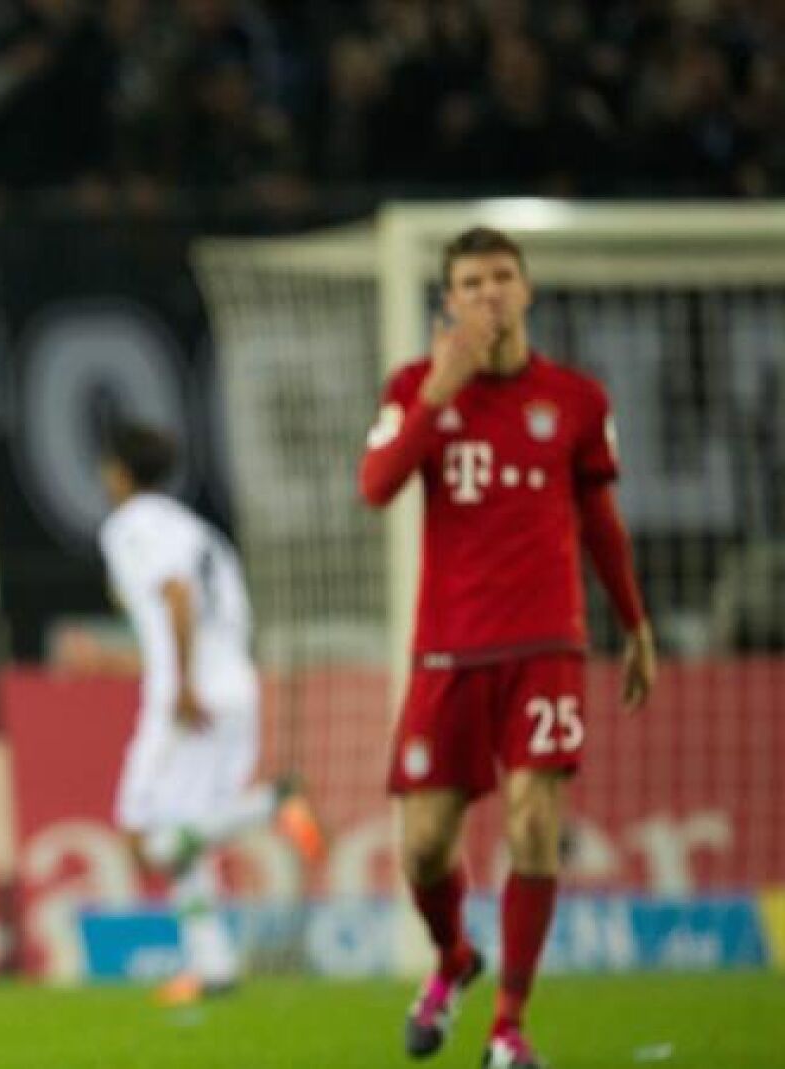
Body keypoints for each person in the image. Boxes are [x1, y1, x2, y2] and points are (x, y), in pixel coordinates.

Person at [359, 226, 655, 1069]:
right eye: (471, 281)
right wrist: (438, 394)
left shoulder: (576, 399)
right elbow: (376, 487)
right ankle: (454, 958)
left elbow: (599, 520)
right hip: (447, 650)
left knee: (534, 820)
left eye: (502, 277)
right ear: (449, 300)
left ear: (527, 291)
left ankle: (509, 1028)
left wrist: (633, 623)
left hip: (546, 642)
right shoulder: (415, 386)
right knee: (422, 843)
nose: (489, 293)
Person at [82, 422, 324, 1006]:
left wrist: (184, 686)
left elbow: (177, 595)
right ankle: (212, 964)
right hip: (235, 686)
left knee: (146, 838)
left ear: (120, 472)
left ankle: (273, 803)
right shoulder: (198, 530)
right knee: (185, 835)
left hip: (192, 698)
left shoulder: (131, 525)